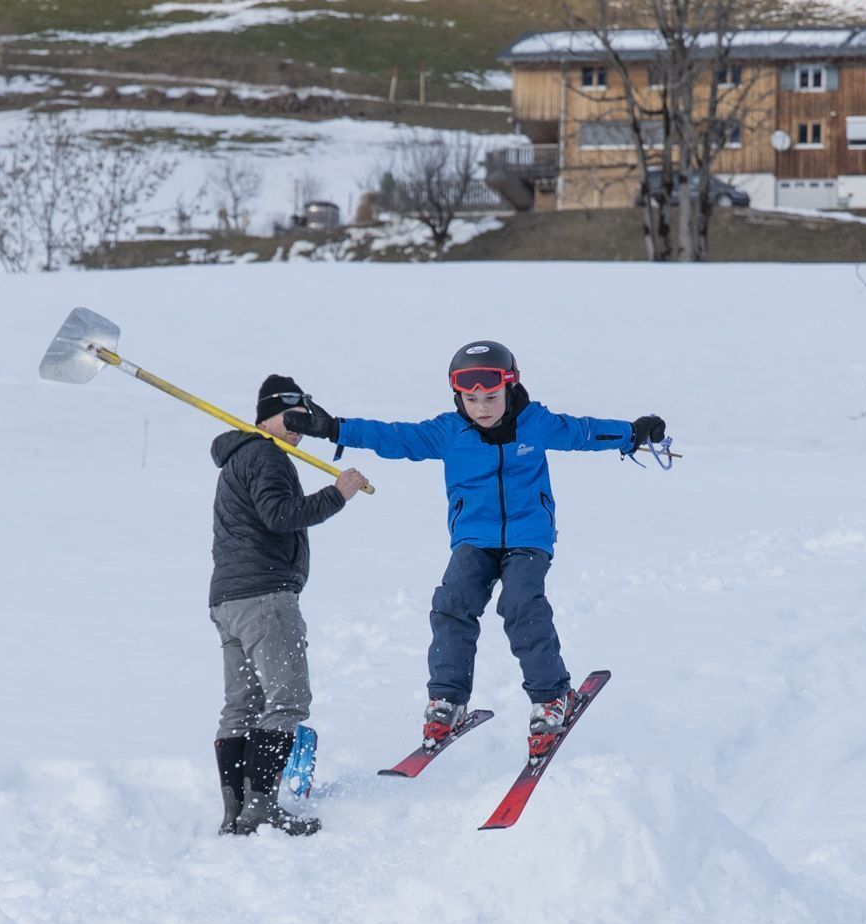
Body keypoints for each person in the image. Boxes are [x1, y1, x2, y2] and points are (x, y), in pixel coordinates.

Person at [285, 340, 665, 758]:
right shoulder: (449, 432)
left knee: (521, 604)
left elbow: (584, 432)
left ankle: (553, 696)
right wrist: (337, 428)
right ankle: (447, 699)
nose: (482, 407)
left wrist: (633, 432)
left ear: (510, 389)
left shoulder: (535, 423)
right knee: (452, 603)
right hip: (473, 539)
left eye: (491, 397)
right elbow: (395, 437)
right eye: (471, 399)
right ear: (458, 397)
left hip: (528, 537)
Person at [209, 374, 370, 836]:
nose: (298, 427)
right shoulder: (264, 455)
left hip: (228, 600)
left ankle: (236, 814)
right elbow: (281, 516)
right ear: (266, 416)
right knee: (287, 700)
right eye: (289, 417)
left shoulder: (239, 457)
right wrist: (338, 493)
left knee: (241, 706)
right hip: (264, 597)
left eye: (303, 418)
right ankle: (261, 810)